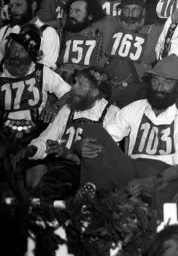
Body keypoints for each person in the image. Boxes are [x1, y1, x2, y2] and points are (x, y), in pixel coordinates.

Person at [76, 55, 178, 204]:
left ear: (177, 87)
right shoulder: (136, 107)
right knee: (93, 131)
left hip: (163, 179)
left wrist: (148, 182)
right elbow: (105, 138)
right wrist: (78, 146)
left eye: (167, 82)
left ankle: (101, 201)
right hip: (131, 172)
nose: (159, 88)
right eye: (155, 81)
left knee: (159, 190)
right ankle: (88, 201)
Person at [24, 67, 119, 199]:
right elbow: (47, 137)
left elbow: (106, 159)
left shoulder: (111, 114)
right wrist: (34, 148)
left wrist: (69, 154)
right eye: (74, 82)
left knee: (54, 183)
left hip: (88, 171)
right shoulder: (69, 108)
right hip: (61, 165)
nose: (73, 88)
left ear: (95, 91)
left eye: (80, 84)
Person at [0, 25, 70, 145]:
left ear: (32, 55)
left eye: (22, 50)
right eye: (14, 48)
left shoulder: (42, 72)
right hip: (1, 138)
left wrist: (55, 107)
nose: (16, 54)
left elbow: (69, 93)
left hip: (35, 137)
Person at [105, 0, 163, 107]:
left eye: (135, 9)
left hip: (136, 89)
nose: (130, 14)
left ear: (144, 11)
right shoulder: (112, 26)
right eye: (126, 9)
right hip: (107, 85)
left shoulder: (155, 30)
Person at [0, 0, 60, 69]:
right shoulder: (4, 30)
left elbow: (46, 71)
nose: (13, 10)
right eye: (11, 5)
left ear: (33, 5)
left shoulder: (47, 33)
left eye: (18, 5)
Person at [57, 0, 113, 80]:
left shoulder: (99, 35)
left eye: (77, 11)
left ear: (90, 16)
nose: (72, 15)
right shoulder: (63, 33)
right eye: (71, 11)